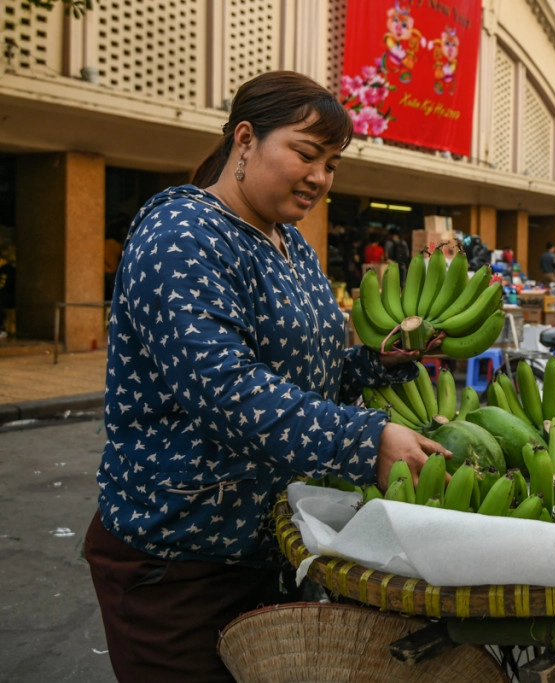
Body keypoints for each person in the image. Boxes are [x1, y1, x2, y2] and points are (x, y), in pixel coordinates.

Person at [83, 71, 447, 682]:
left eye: (333, 163)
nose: (320, 177)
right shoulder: (181, 235)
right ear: (245, 140)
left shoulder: (292, 246)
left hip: (271, 544)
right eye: (306, 154)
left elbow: (305, 378)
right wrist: (364, 441)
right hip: (177, 560)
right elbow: (225, 388)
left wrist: (375, 363)